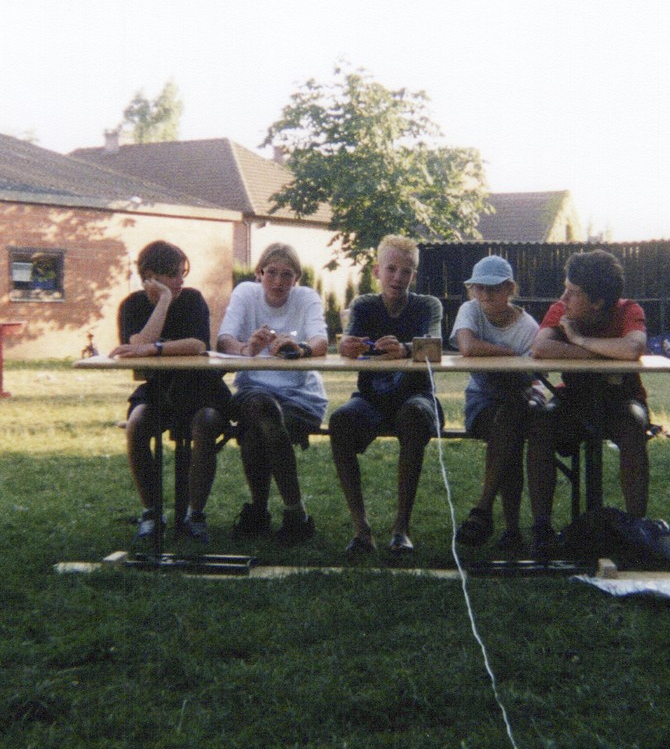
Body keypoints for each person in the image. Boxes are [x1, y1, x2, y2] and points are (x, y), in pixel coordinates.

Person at [525, 249, 651, 559]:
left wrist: (580, 341)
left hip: (621, 400)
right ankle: (542, 528)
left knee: (633, 425)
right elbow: (541, 347)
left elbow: (632, 348)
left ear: (597, 302)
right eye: (565, 289)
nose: (563, 297)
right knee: (540, 422)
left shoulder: (628, 310)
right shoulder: (561, 310)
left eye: (572, 292)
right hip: (575, 399)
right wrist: (604, 353)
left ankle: (636, 528)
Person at [110, 240, 231, 544]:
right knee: (137, 425)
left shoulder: (192, 300)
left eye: (182, 274)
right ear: (151, 276)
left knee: (204, 424)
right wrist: (163, 301)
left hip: (201, 387)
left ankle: (195, 514)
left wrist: (155, 349)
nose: (180, 281)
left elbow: (198, 344)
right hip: (160, 389)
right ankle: (152, 513)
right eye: (173, 275)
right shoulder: (132, 306)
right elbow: (136, 345)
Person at [330, 235, 444, 555]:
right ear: (377, 271)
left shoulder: (428, 305)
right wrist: (346, 347)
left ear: (414, 276)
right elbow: (347, 343)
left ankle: (401, 528)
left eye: (406, 271)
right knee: (340, 421)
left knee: (413, 415)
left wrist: (405, 349)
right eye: (391, 269)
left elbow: (437, 348)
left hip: (418, 397)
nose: (397, 278)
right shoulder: (364, 305)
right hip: (370, 400)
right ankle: (361, 529)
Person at [216, 243, 329, 544]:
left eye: (287, 275)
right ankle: (295, 514)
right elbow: (224, 339)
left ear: (297, 278)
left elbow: (320, 341)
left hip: (301, 395)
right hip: (254, 389)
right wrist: (246, 348)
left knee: (258, 428)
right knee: (263, 411)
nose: (278, 282)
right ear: (259, 273)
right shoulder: (245, 293)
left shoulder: (306, 297)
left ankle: (260, 511)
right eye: (272, 273)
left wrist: (300, 349)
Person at [450, 255, 541, 555]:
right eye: (479, 288)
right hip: (481, 401)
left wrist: (509, 369)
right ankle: (506, 526)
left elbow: (532, 378)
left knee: (510, 423)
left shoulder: (528, 327)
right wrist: (509, 355)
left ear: (510, 289)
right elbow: (467, 346)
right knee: (508, 428)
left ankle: (487, 513)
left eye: (494, 288)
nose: (485, 294)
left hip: (518, 399)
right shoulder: (470, 310)